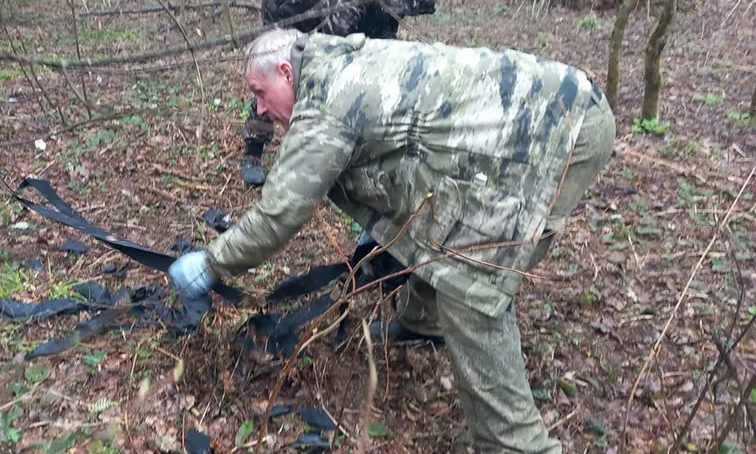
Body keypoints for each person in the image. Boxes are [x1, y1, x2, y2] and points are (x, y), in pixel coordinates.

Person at [168, 27, 616, 452]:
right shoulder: (330, 58)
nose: (260, 110)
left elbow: (281, 210)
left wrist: (212, 264)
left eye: (260, 94)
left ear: (287, 73)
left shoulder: (327, 106)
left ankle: (517, 443)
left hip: (559, 129)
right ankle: (424, 321)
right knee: (424, 219)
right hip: (559, 107)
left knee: (472, 283)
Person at [239, 0, 440, 186]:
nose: (405, 16)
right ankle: (253, 150)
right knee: (276, 73)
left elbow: (385, 51)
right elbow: (326, 67)